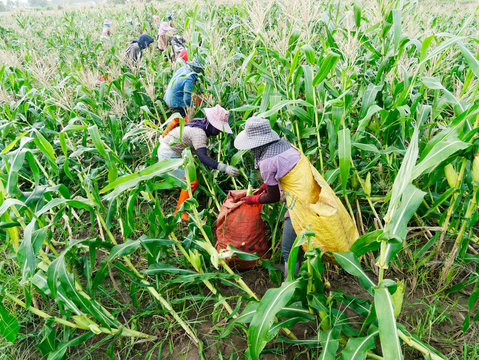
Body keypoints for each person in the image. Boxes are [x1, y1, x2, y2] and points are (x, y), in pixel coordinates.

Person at [234, 117, 358, 275]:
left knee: (288, 249)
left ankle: (289, 282)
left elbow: (272, 197)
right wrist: (266, 185)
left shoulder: (267, 161)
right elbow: (286, 172)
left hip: (302, 205)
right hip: (314, 195)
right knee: (297, 244)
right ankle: (292, 270)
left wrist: (253, 199)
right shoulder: (285, 146)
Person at [158, 105, 240, 220]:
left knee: (186, 179)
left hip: (170, 149)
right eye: (218, 128)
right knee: (191, 182)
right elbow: (202, 157)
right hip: (168, 153)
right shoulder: (199, 133)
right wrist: (224, 168)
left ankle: (177, 191)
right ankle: (180, 212)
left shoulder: (200, 123)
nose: (219, 131)